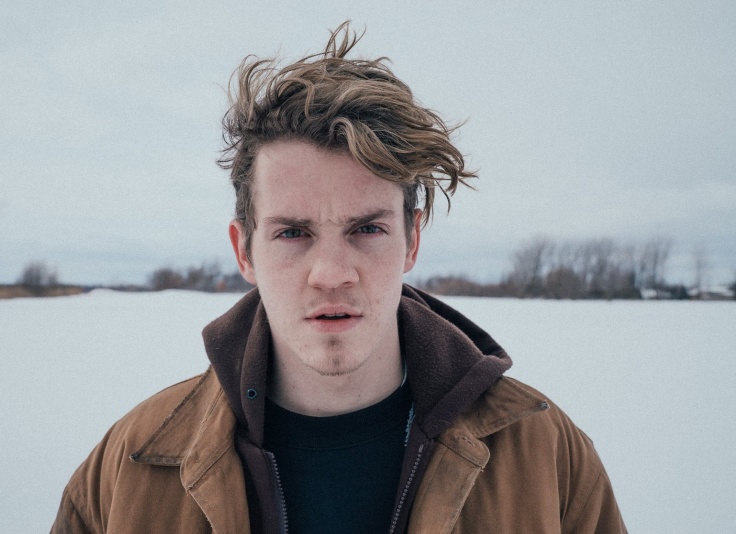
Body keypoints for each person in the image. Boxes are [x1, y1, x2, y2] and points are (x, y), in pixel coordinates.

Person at [52, 23, 626, 533]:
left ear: (412, 240)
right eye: (292, 233)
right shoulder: (131, 465)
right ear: (243, 250)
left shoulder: (546, 456)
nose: (331, 275)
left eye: (367, 229)